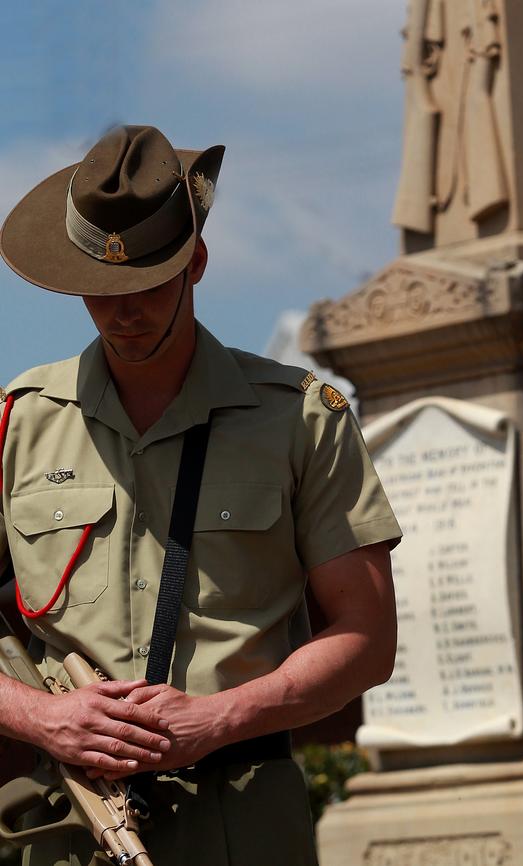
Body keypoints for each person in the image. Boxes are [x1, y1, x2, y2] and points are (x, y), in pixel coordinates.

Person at [0, 125, 401, 866]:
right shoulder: (15, 423)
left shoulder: (301, 419)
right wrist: (42, 717)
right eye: (100, 288)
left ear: (198, 264)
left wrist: (216, 718)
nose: (123, 311)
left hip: (241, 820)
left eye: (147, 283)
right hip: (58, 825)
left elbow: (366, 639)